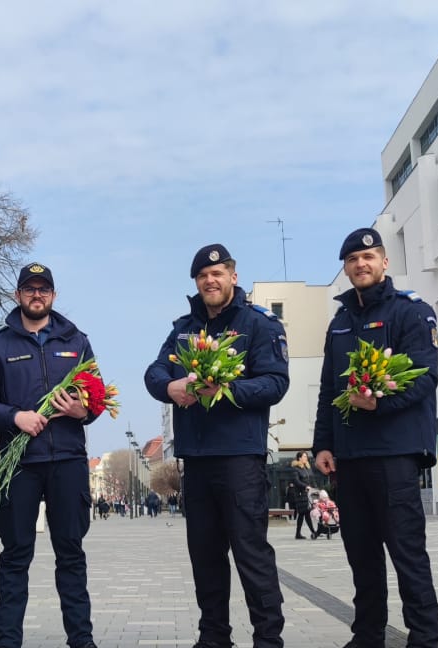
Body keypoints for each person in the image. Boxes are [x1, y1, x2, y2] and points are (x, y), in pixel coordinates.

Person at [145, 243, 289, 648]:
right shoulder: (183, 328)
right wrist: (171, 386)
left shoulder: (259, 324)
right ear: (196, 282)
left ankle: (268, 639)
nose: (211, 280)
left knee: (251, 554)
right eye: (203, 276)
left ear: (233, 277)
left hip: (240, 458)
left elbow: (276, 382)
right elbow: (154, 372)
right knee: (205, 557)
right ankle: (213, 638)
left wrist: (227, 389)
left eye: (218, 273)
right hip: (197, 460)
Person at [311, 228, 438, 648]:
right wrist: (323, 445)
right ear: (346, 269)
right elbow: (329, 390)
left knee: (407, 554)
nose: (360, 265)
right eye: (352, 260)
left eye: (368, 257)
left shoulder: (411, 313)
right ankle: (367, 635)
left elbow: (424, 377)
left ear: (384, 263)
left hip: (395, 455)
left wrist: (379, 405)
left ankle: (423, 637)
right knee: (361, 556)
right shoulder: (340, 322)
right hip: (349, 458)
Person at [0, 262, 101, 648]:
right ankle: (8, 641)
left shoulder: (77, 341)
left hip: (68, 462)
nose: (37, 295)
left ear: (54, 296)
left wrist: (84, 411)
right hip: (19, 466)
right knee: (14, 557)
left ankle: (82, 640)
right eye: (30, 289)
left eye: (44, 289)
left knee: (71, 555)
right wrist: (15, 417)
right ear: (18, 296)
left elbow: (96, 396)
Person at [290, 451, 313, 540]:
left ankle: (298, 534)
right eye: (304, 456)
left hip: (308, 493)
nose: (306, 458)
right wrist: (305, 486)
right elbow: (296, 481)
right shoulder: (296, 469)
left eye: (306, 456)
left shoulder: (308, 468)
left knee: (303, 513)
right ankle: (313, 531)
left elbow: (312, 479)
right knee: (305, 512)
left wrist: (315, 488)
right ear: (299, 458)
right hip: (300, 494)